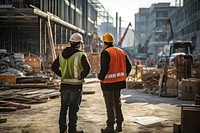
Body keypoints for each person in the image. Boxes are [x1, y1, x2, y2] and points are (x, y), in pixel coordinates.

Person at [51, 32, 91, 133]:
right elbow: (88, 68)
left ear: (71, 43)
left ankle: (62, 129)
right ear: (78, 44)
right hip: (76, 86)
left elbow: (53, 67)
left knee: (63, 108)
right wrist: (80, 76)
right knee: (73, 110)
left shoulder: (61, 55)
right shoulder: (81, 55)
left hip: (64, 86)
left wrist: (62, 74)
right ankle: (72, 130)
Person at [98, 32, 132, 133]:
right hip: (119, 83)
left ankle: (110, 127)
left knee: (110, 105)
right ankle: (119, 125)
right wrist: (123, 76)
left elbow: (104, 68)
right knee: (117, 104)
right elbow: (129, 66)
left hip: (108, 83)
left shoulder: (105, 52)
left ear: (105, 43)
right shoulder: (121, 51)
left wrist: (100, 77)